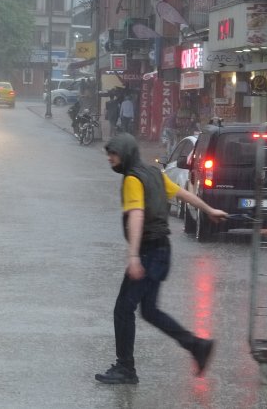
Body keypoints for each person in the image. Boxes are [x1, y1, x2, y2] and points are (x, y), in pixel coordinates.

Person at [96, 133, 227, 385]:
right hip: (161, 251)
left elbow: (136, 215)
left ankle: (126, 368)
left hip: (147, 252)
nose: (110, 159)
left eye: (113, 154)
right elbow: (181, 194)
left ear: (125, 153)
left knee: (123, 309)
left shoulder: (133, 179)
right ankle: (197, 346)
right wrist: (209, 210)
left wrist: (133, 256)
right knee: (150, 310)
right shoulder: (154, 173)